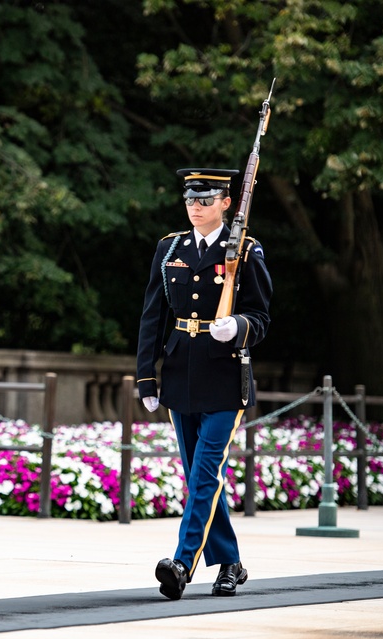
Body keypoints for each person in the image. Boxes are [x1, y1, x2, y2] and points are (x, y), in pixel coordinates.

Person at [136, 167, 272, 601]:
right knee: (201, 479)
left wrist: (239, 325)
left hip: (223, 380)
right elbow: (153, 317)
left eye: (206, 199)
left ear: (226, 203)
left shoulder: (245, 251)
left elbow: (262, 317)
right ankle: (230, 563)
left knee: (206, 471)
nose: (196, 207)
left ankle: (183, 562)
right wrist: (146, 377)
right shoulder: (170, 248)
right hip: (179, 375)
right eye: (190, 199)